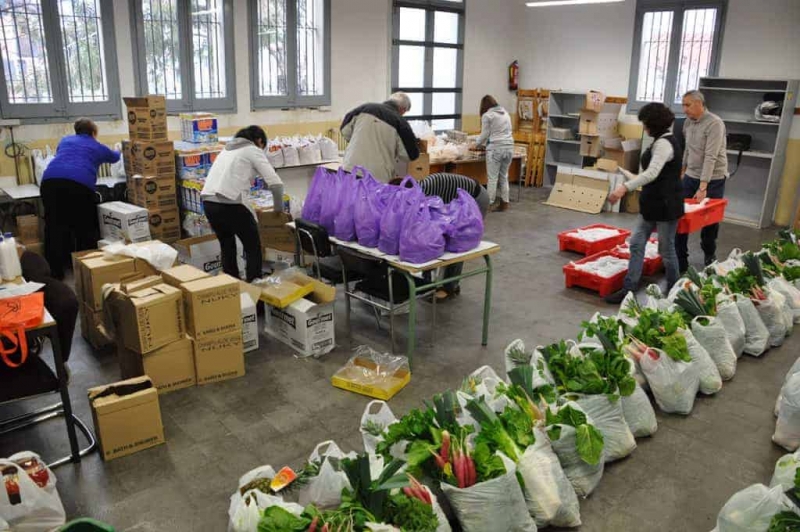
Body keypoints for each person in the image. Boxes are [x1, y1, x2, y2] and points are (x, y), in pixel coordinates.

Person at [604, 103, 684, 304]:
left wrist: (625, 187)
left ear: (653, 124)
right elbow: (652, 176)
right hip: (651, 203)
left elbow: (652, 173)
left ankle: (675, 291)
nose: (644, 127)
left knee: (666, 250)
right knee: (636, 244)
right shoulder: (658, 141)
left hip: (666, 205)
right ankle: (629, 288)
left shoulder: (665, 144)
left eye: (646, 123)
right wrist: (630, 177)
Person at [201, 126, 284, 282]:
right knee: (253, 248)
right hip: (231, 204)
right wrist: (278, 212)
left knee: (227, 246)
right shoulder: (252, 150)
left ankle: (232, 289)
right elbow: (276, 184)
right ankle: (255, 292)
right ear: (259, 141)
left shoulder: (226, 151)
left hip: (209, 204)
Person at [40, 118, 120, 279]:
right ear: (93, 132)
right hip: (78, 186)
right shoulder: (96, 146)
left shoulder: (65, 140)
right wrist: (121, 148)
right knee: (85, 227)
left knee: (54, 226)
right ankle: (87, 269)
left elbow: (63, 155)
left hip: (49, 182)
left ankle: (55, 272)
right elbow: (114, 157)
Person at [389, 173, 490, 299]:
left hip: (476, 198)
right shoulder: (420, 191)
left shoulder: (426, 192)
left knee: (458, 242)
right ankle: (430, 283)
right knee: (433, 240)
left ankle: (450, 288)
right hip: (459, 200)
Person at [676, 90, 728, 272]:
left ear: (700, 104)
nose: (684, 109)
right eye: (683, 105)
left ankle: (709, 255)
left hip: (713, 179)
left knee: (710, 221)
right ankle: (680, 259)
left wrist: (703, 185)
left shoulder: (715, 123)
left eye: (687, 105)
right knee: (679, 215)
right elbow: (688, 149)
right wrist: (683, 171)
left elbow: (710, 156)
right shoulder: (688, 123)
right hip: (691, 175)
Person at [341, 92, 420, 183]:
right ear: (403, 109)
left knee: (349, 196)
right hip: (376, 176)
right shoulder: (400, 122)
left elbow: (345, 130)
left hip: (350, 168)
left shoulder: (364, 108)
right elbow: (411, 155)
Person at [474, 95, 514, 212]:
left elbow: (484, 135)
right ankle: (505, 203)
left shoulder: (487, 116)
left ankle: (489, 203)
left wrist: (475, 144)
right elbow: (507, 131)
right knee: (504, 176)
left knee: (492, 178)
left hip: (495, 149)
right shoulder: (506, 114)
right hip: (509, 147)